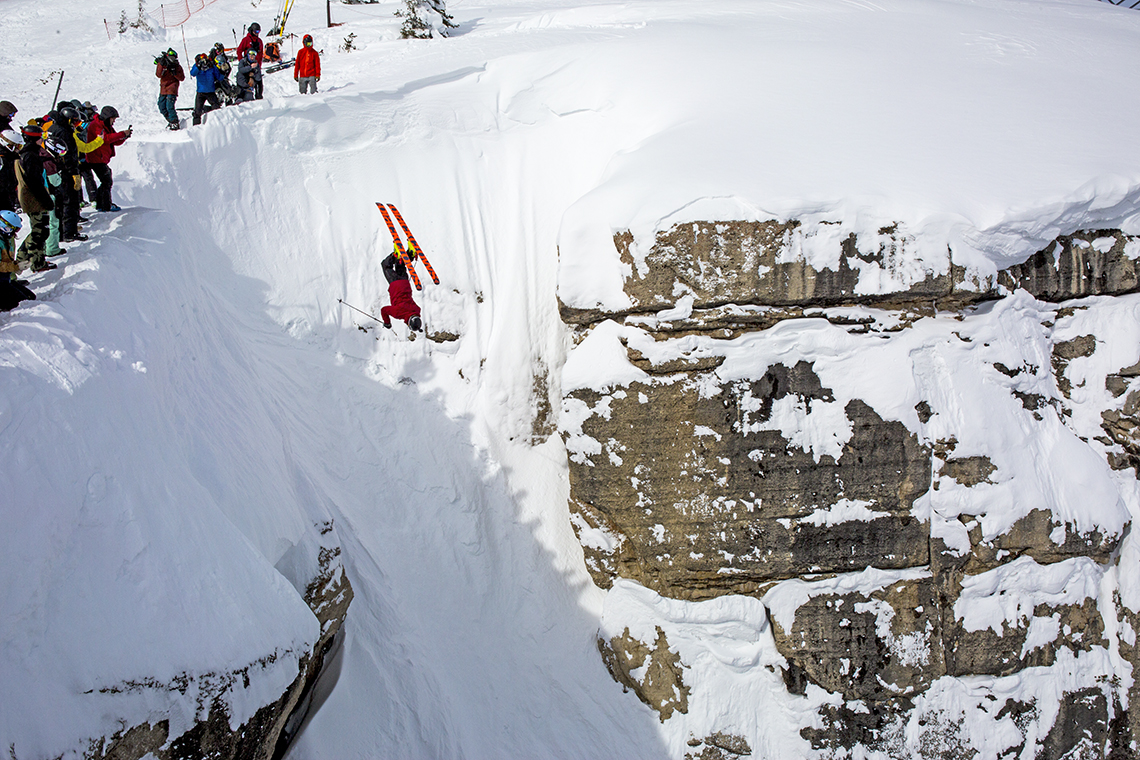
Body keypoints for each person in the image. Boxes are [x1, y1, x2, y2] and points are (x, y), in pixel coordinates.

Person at [14, 122, 56, 272]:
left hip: (33, 198)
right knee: (39, 231)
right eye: (41, 136)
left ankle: (36, 260)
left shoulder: (29, 153)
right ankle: (27, 259)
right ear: (35, 138)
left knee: (40, 231)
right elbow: (34, 182)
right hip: (34, 199)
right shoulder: (30, 156)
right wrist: (46, 200)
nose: (42, 139)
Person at [86, 106, 131, 212]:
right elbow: (105, 139)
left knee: (106, 180)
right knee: (106, 181)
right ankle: (105, 204)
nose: (114, 121)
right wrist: (122, 134)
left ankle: (101, 203)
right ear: (107, 117)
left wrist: (124, 137)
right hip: (96, 158)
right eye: (113, 118)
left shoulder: (107, 126)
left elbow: (114, 141)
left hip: (102, 158)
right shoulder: (96, 125)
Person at [0, 210, 36, 310]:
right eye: (13, 230)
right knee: (18, 305)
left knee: (30, 298)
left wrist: (17, 265)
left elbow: (5, 260)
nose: (13, 234)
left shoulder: (4, 240)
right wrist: (16, 267)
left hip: (5, 280)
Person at [380, 248, 423, 331]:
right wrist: (387, 323)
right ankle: (394, 254)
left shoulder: (417, 309)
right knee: (386, 266)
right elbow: (384, 310)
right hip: (396, 284)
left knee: (400, 264)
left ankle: (411, 253)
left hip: (405, 283)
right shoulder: (398, 313)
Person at [190, 53, 224, 125]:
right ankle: (196, 128)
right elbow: (192, 73)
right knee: (197, 111)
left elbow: (219, 77)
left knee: (217, 109)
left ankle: (219, 124)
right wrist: (198, 66)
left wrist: (223, 71)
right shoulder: (198, 67)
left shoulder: (212, 67)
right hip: (201, 92)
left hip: (210, 92)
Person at [155, 48, 185, 130]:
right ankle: (171, 120)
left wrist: (174, 73)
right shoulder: (163, 64)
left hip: (172, 89)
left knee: (169, 106)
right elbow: (158, 74)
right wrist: (161, 64)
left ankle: (174, 122)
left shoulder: (177, 66)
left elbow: (182, 78)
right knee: (161, 106)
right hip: (163, 89)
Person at [236, 22, 265, 99]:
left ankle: (259, 96)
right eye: (256, 31)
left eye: (258, 32)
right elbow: (239, 50)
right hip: (247, 65)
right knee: (245, 83)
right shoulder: (246, 40)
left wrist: (258, 66)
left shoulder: (259, 41)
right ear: (252, 30)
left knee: (259, 82)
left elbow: (261, 54)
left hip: (256, 66)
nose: (257, 33)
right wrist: (241, 61)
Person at [0, 129, 20, 213]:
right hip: (4, 197)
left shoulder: (10, 157)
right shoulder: (4, 159)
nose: (18, 149)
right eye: (17, 146)